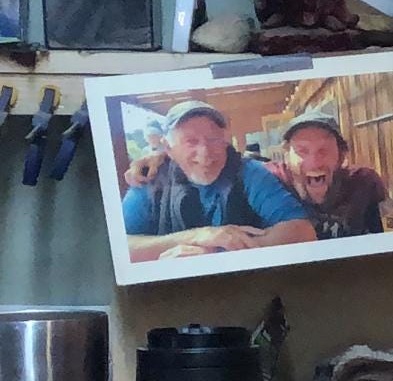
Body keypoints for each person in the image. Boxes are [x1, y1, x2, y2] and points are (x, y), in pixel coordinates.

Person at [121, 100, 313, 261]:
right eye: (191, 141)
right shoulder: (151, 178)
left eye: (213, 139)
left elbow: (302, 231)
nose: (205, 152)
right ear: (168, 148)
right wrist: (197, 236)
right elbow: (119, 248)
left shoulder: (249, 173)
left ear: (225, 140)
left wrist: (216, 255)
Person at [270, 109, 392, 238]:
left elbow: (388, 239)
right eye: (302, 151)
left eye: (324, 150)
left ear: (341, 156)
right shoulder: (270, 182)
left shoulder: (365, 184)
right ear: (287, 157)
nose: (314, 163)